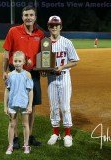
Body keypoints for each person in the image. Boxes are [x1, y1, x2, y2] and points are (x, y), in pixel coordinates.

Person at [2, 5, 44, 149]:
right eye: (26, 15)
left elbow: (43, 55)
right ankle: (14, 138)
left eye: (31, 15)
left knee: (31, 106)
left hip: (33, 74)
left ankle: (29, 135)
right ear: (22, 17)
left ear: (35, 17)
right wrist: (4, 70)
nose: (28, 17)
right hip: (16, 72)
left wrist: (44, 68)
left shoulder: (40, 34)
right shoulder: (13, 31)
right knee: (13, 102)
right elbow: (7, 53)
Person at [46, 16, 80, 147]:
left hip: (64, 77)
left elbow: (75, 61)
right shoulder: (45, 43)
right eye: (51, 25)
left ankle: (67, 134)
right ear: (48, 27)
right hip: (51, 79)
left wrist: (63, 66)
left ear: (61, 26)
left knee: (65, 107)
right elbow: (43, 61)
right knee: (54, 106)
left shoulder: (67, 42)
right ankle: (55, 133)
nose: (54, 27)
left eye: (57, 25)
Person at [4, 51, 33, 154]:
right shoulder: (10, 75)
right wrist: (5, 106)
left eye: (19, 61)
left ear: (24, 62)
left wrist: (30, 105)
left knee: (25, 124)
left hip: (24, 104)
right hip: (12, 104)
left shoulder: (28, 75)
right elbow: (7, 90)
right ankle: (10, 145)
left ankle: (26, 145)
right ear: (12, 61)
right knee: (12, 124)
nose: (17, 63)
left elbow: (30, 91)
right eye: (15, 61)